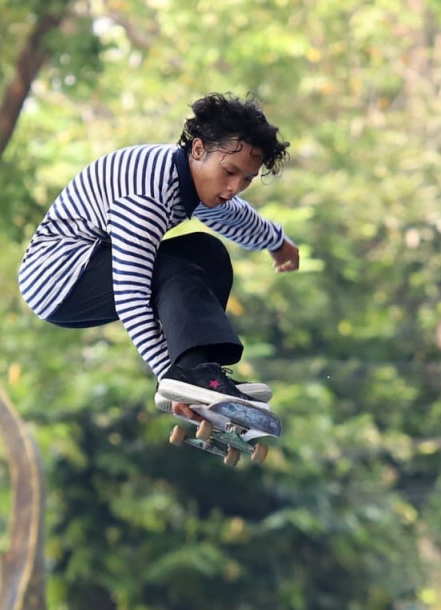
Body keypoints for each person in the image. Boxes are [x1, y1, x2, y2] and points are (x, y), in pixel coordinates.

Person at [17, 92, 298, 411]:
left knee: (209, 255)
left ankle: (206, 374)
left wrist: (276, 241)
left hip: (84, 263)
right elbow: (131, 296)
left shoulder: (189, 177)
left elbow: (232, 215)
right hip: (58, 278)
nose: (234, 187)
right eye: (229, 172)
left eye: (246, 179)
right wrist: (169, 377)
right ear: (198, 149)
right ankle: (191, 375)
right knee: (175, 271)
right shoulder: (148, 196)